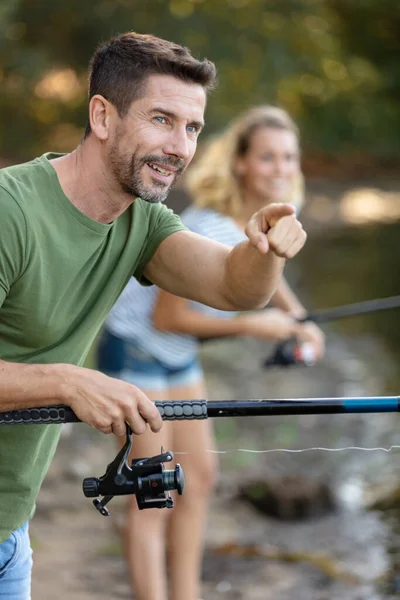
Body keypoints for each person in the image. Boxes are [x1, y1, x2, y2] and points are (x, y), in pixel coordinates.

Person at [0, 32, 308, 599]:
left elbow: (233, 286)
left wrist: (265, 250)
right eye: (162, 119)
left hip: (8, 529)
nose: (180, 146)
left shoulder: (144, 220)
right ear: (102, 116)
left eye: (192, 128)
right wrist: (68, 381)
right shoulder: (9, 210)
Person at [98, 105, 324, 600]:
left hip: (177, 355)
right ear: (241, 163)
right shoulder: (205, 225)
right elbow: (168, 318)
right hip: (137, 351)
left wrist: (302, 322)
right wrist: (255, 327)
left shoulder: (274, 218)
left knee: (198, 479)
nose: (281, 168)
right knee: (152, 495)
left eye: (289, 157)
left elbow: (265, 275)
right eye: (268, 157)